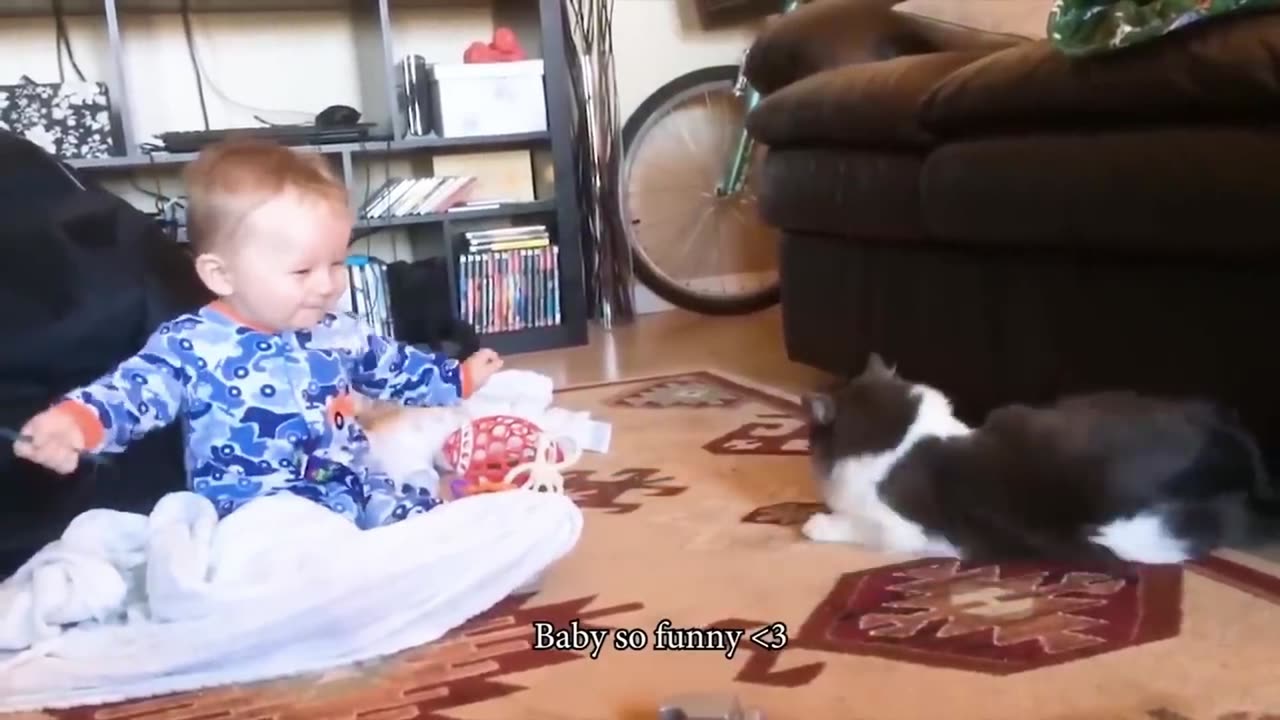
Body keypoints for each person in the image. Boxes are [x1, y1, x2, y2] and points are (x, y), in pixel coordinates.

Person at [11, 138, 504, 530]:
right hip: (257, 510)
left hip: (348, 482)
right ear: (221, 275)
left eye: (336, 262)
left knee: (410, 512)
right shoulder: (192, 343)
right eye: (302, 270)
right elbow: (131, 394)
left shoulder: (338, 332)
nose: (328, 284)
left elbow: (393, 367)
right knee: (272, 559)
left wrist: (458, 378)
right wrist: (73, 424)